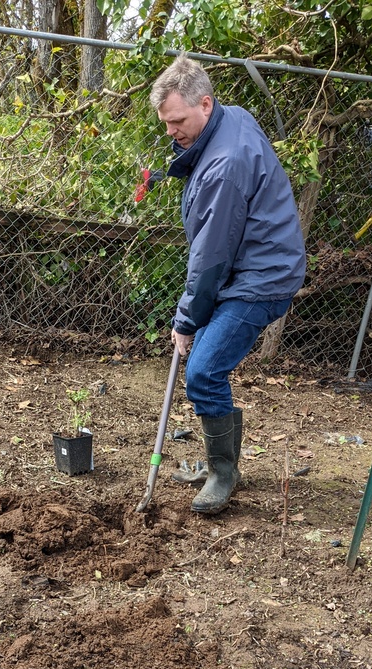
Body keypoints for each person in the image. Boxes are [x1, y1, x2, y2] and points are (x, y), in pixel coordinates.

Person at [149, 56, 306, 514]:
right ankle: (224, 463)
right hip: (248, 266)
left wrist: (186, 321)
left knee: (202, 371)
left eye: (177, 121)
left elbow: (210, 257)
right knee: (207, 369)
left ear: (205, 103)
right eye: (166, 123)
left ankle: (223, 471)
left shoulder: (225, 165)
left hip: (261, 278)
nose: (171, 132)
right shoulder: (229, 118)